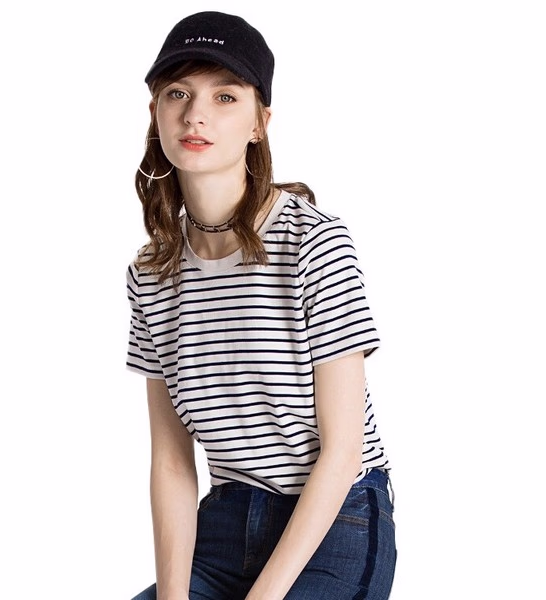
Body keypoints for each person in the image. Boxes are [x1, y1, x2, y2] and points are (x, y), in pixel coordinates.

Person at [126, 10, 396, 600]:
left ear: (259, 123)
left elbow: (342, 450)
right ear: (156, 113)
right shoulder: (150, 273)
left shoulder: (313, 242)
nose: (195, 114)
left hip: (336, 517)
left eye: (225, 96)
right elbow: (171, 464)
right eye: (178, 93)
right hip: (224, 522)